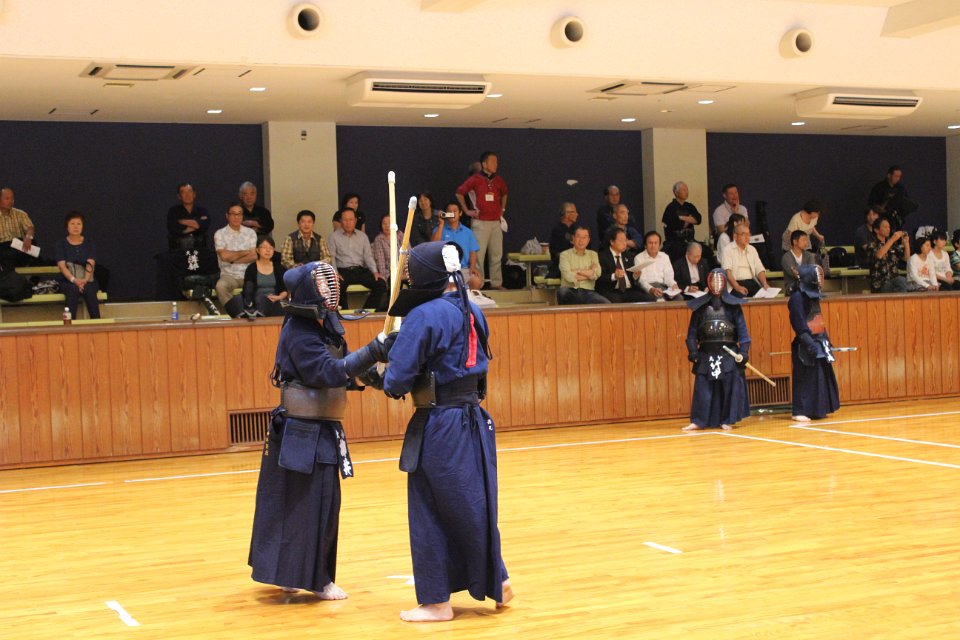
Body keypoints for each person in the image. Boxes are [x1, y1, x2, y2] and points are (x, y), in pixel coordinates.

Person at [379, 241, 512, 622]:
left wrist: (383, 361)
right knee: (470, 501)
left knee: (430, 506)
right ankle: (497, 579)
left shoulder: (423, 315)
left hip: (440, 423)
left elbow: (396, 382)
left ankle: (437, 601)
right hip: (473, 419)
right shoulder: (472, 308)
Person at [248, 260, 393, 601]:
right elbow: (328, 372)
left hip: (324, 427)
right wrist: (374, 348)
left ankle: (314, 575)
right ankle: (305, 577)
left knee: (324, 505)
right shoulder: (298, 331)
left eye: (330, 284)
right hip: (299, 430)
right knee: (300, 505)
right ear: (309, 291)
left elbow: (347, 370)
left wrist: (378, 375)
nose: (331, 289)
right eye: (324, 284)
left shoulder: (326, 325)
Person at [683, 268, 751, 431]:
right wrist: (693, 352)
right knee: (703, 388)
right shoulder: (700, 307)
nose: (716, 284)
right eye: (713, 281)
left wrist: (743, 352)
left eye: (719, 281)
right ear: (708, 282)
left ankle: (726, 419)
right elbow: (692, 333)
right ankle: (699, 420)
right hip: (706, 353)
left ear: (725, 283)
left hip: (728, 353)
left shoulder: (733, 307)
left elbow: (743, 333)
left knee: (728, 388)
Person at [788, 265, 840, 422]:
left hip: (819, 341)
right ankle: (799, 410)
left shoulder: (814, 296)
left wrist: (826, 340)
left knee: (819, 376)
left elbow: (818, 319)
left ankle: (817, 409)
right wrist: (808, 342)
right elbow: (798, 323)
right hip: (805, 343)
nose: (820, 279)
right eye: (818, 276)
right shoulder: (797, 298)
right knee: (804, 377)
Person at [456, 151, 507, 289]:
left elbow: (504, 193)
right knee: (479, 256)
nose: (496, 164)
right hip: (480, 222)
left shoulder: (498, 180)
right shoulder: (475, 179)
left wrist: (502, 210)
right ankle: (479, 283)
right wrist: (467, 210)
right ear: (484, 164)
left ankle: (497, 283)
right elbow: (459, 192)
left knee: (496, 254)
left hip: (495, 222)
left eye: (497, 162)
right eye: (493, 162)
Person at [327, 208, 387, 310]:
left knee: (380, 284)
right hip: (343, 271)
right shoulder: (333, 237)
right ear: (341, 221)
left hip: (360, 270)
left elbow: (368, 256)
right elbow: (331, 257)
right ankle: (345, 314)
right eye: (345, 220)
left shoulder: (362, 236)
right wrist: (335, 273)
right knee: (337, 286)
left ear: (355, 220)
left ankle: (365, 311)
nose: (348, 223)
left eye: (351, 219)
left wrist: (375, 272)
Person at [226, 237, 288, 318]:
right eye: (264, 247)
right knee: (239, 300)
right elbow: (248, 290)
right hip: (255, 301)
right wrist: (251, 301)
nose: (268, 250)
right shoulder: (251, 268)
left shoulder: (279, 268)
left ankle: (254, 313)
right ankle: (252, 312)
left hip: (274, 301)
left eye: (271, 248)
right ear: (257, 250)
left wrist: (278, 297)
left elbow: (284, 290)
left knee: (283, 306)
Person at [54, 211, 101, 319]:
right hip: (67, 280)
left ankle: (97, 322)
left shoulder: (89, 243)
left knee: (89, 288)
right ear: (67, 227)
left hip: (88, 279)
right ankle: (70, 324)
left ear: (82, 226)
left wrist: (84, 280)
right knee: (72, 289)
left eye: (79, 224)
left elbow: (90, 263)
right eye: (72, 223)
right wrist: (74, 280)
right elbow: (62, 266)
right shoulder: (60, 244)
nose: (76, 227)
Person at [214, 202, 258, 309]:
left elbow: (254, 256)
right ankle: (234, 311)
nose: (236, 217)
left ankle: (253, 312)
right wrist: (245, 252)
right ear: (227, 216)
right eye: (233, 214)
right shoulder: (220, 234)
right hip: (228, 275)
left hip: (248, 274)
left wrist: (232, 259)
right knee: (220, 287)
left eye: (239, 214)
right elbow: (224, 257)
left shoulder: (250, 233)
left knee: (263, 284)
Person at [432, 201, 483, 289]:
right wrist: (441, 224)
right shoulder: (439, 229)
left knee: (477, 281)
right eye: (449, 211)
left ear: (460, 213)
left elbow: (473, 252)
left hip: (464, 269)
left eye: (455, 211)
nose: (452, 213)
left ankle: (468, 298)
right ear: (445, 213)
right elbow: (433, 245)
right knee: (450, 285)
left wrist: (473, 267)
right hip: (445, 270)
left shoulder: (468, 232)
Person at [557, 227, 609, 305]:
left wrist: (577, 271)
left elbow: (597, 273)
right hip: (570, 290)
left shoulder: (593, 254)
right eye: (578, 237)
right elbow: (568, 276)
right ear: (573, 238)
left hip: (588, 292)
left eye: (584, 237)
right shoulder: (564, 255)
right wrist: (589, 273)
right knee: (562, 292)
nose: (581, 240)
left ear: (588, 240)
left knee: (606, 304)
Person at [597, 228, 649, 303]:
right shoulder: (602, 257)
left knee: (648, 298)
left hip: (629, 290)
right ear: (612, 242)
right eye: (621, 240)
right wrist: (614, 276)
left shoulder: (629, 256)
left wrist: (635, 276)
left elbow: (632, 278)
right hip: (612, 290)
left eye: (625, 240)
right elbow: (600, 278)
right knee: (616, 301)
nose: (625, 243)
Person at [722, 223, 771, 297]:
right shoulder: (728, 249)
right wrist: (737, 287)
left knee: (766, 296)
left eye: (748, 234)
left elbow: (759, 268)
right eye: (743, 234)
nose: (747, 237)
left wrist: (764, 284)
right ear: (735, 236)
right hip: (735, 284)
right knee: (741, 297)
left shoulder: (752, 249)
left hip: (751, 282)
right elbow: (727, 272)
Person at [632, 231, 680, 301]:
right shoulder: (639, 258)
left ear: (659, 245)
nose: (653, 246)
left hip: (663, 287)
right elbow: (641, 280)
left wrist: (673, 285)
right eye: (650, 243)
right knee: (660, 300)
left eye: (656, 243)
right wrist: (651, 289)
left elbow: (669, 277)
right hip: (648, 288)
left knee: (679, 298)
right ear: (645, 245)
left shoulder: (665, 257)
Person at [662, 181, 702, 262]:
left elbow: (698, 219)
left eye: (687, 190)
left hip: (690, 240)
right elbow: (678, 225)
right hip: (675, 242)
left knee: (705, 252)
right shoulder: (670, 208)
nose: (687, 192)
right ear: (676, 192)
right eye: (684, 190)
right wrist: (690, 219)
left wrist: (681, 217)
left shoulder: (690, 206)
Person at [0, 186, 38, 271]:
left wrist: (28, 237)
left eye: (12, 198)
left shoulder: (20, 214)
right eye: (7, 198)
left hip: (17, 246)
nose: (11, 201)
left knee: (32, 243)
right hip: (2, 247)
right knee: (9, 258)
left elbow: (30, 228)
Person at [868, 217, 910, 293]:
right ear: (876, 230)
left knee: (904, 282)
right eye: (885, 227)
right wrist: (892, 239)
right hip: (880, 283)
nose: (888, 229)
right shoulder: (872, 244)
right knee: (901, 281)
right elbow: (879, 255)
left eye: (889, 227)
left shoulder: (893, 245)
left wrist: (906, 244)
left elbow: (906, 259)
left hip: (895, 280)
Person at [166, 183, 210, 250]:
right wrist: (196, 225)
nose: (187, 195)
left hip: (200, 248)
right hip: (178, 249)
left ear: (194, 194)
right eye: (183, 192)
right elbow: (174, 229)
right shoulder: (173, 211)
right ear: (179, 196)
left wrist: (182, 222)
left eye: (190, 191)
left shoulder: (202, 211)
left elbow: (203, 226)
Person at [547, 202, 582, 277]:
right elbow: (555, 253)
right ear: (566, 214)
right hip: (562, 268)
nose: (577, 214)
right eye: (574, 212)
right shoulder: (557, 231)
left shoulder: (578, 230)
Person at [781, 230, 817, 296]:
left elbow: (812, 272)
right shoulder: (786, 257)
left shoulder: (809, 255)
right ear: (795, 242)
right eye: (803, 240)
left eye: (807, 240)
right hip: (792, 290)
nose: (806, 243)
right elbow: (795, 275)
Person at [371, 214, 403, 286]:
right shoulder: (379, 239)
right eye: (384, 224)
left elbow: (409, 253)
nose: (387, 226)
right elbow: (381, 262)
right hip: (390, 273)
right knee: (396, 283)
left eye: (389, 223)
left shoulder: (400, 235)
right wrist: (385, 278)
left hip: (404, 271)